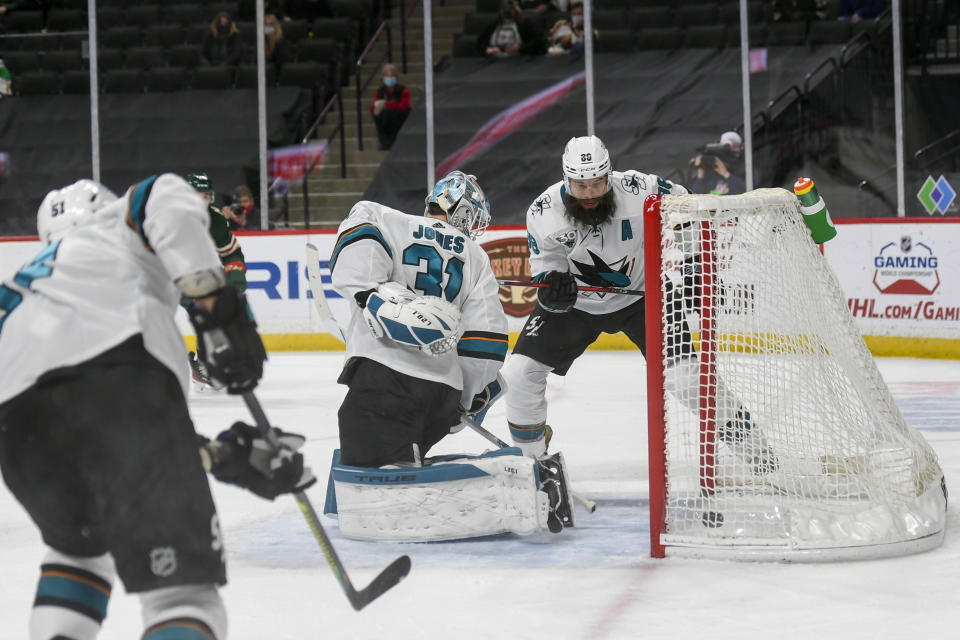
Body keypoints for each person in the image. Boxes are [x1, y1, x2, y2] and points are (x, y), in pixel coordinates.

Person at [0, 176, 313, 640]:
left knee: (78, 553)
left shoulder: (16, 289)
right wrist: (214, 311)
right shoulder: (113, 227)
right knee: (183, 598)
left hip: (17, 430)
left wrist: (217, 455)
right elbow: (162, 193)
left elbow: (92, 426)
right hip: (122, 379)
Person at [502, 135, 775, 476]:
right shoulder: (543, 212)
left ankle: (761, 456)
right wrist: (553, 291)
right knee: (519, 373)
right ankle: (532, 466)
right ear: (566, 178)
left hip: (646, 295)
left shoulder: (638, 187)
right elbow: (546, 269)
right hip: (578, 305)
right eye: (580, 185)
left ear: (609, 174)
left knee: (688, 380)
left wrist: (693, 265)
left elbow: (686, 205)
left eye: (597, 183)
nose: (589, 193)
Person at [326, 170, 574, 540]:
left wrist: (370, 296)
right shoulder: (475, 258)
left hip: (382, 379)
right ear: (466, 214)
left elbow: (357, 240)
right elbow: (486, 346)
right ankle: (415, 459)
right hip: (440, 395)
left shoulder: (386, 218)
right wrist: (465, 399)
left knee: (371, 477)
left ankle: (511, 481)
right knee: (382, 456)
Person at [185, 172, 249, 391]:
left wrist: (235, 272)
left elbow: (231, 253)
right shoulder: (172, 218)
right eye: (196, 196)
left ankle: (204, 366)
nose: (201, 201)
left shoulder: (216, 220)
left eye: (205, 196)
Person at [690, 130, 746, 196]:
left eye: (735, 147)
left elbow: (748, 194)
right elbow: (695, 197)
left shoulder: (746, 169)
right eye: (725, 149)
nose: (730, 152)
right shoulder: (710, 174)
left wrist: (726, 174)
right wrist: (701, 174)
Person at [369, 63, 411, 151]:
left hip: (399, 117)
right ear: (383, 78)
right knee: (381, 115)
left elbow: (404, 106)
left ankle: (396, 141)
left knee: (391, 113)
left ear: (396, 77)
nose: (389, 79)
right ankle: (385, 142)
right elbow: (373, 108)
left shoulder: (403, 90)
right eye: (387, 76)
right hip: (384, 120)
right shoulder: (380, 91)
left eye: (391, 76)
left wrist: (387, 104)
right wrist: (376, 108)